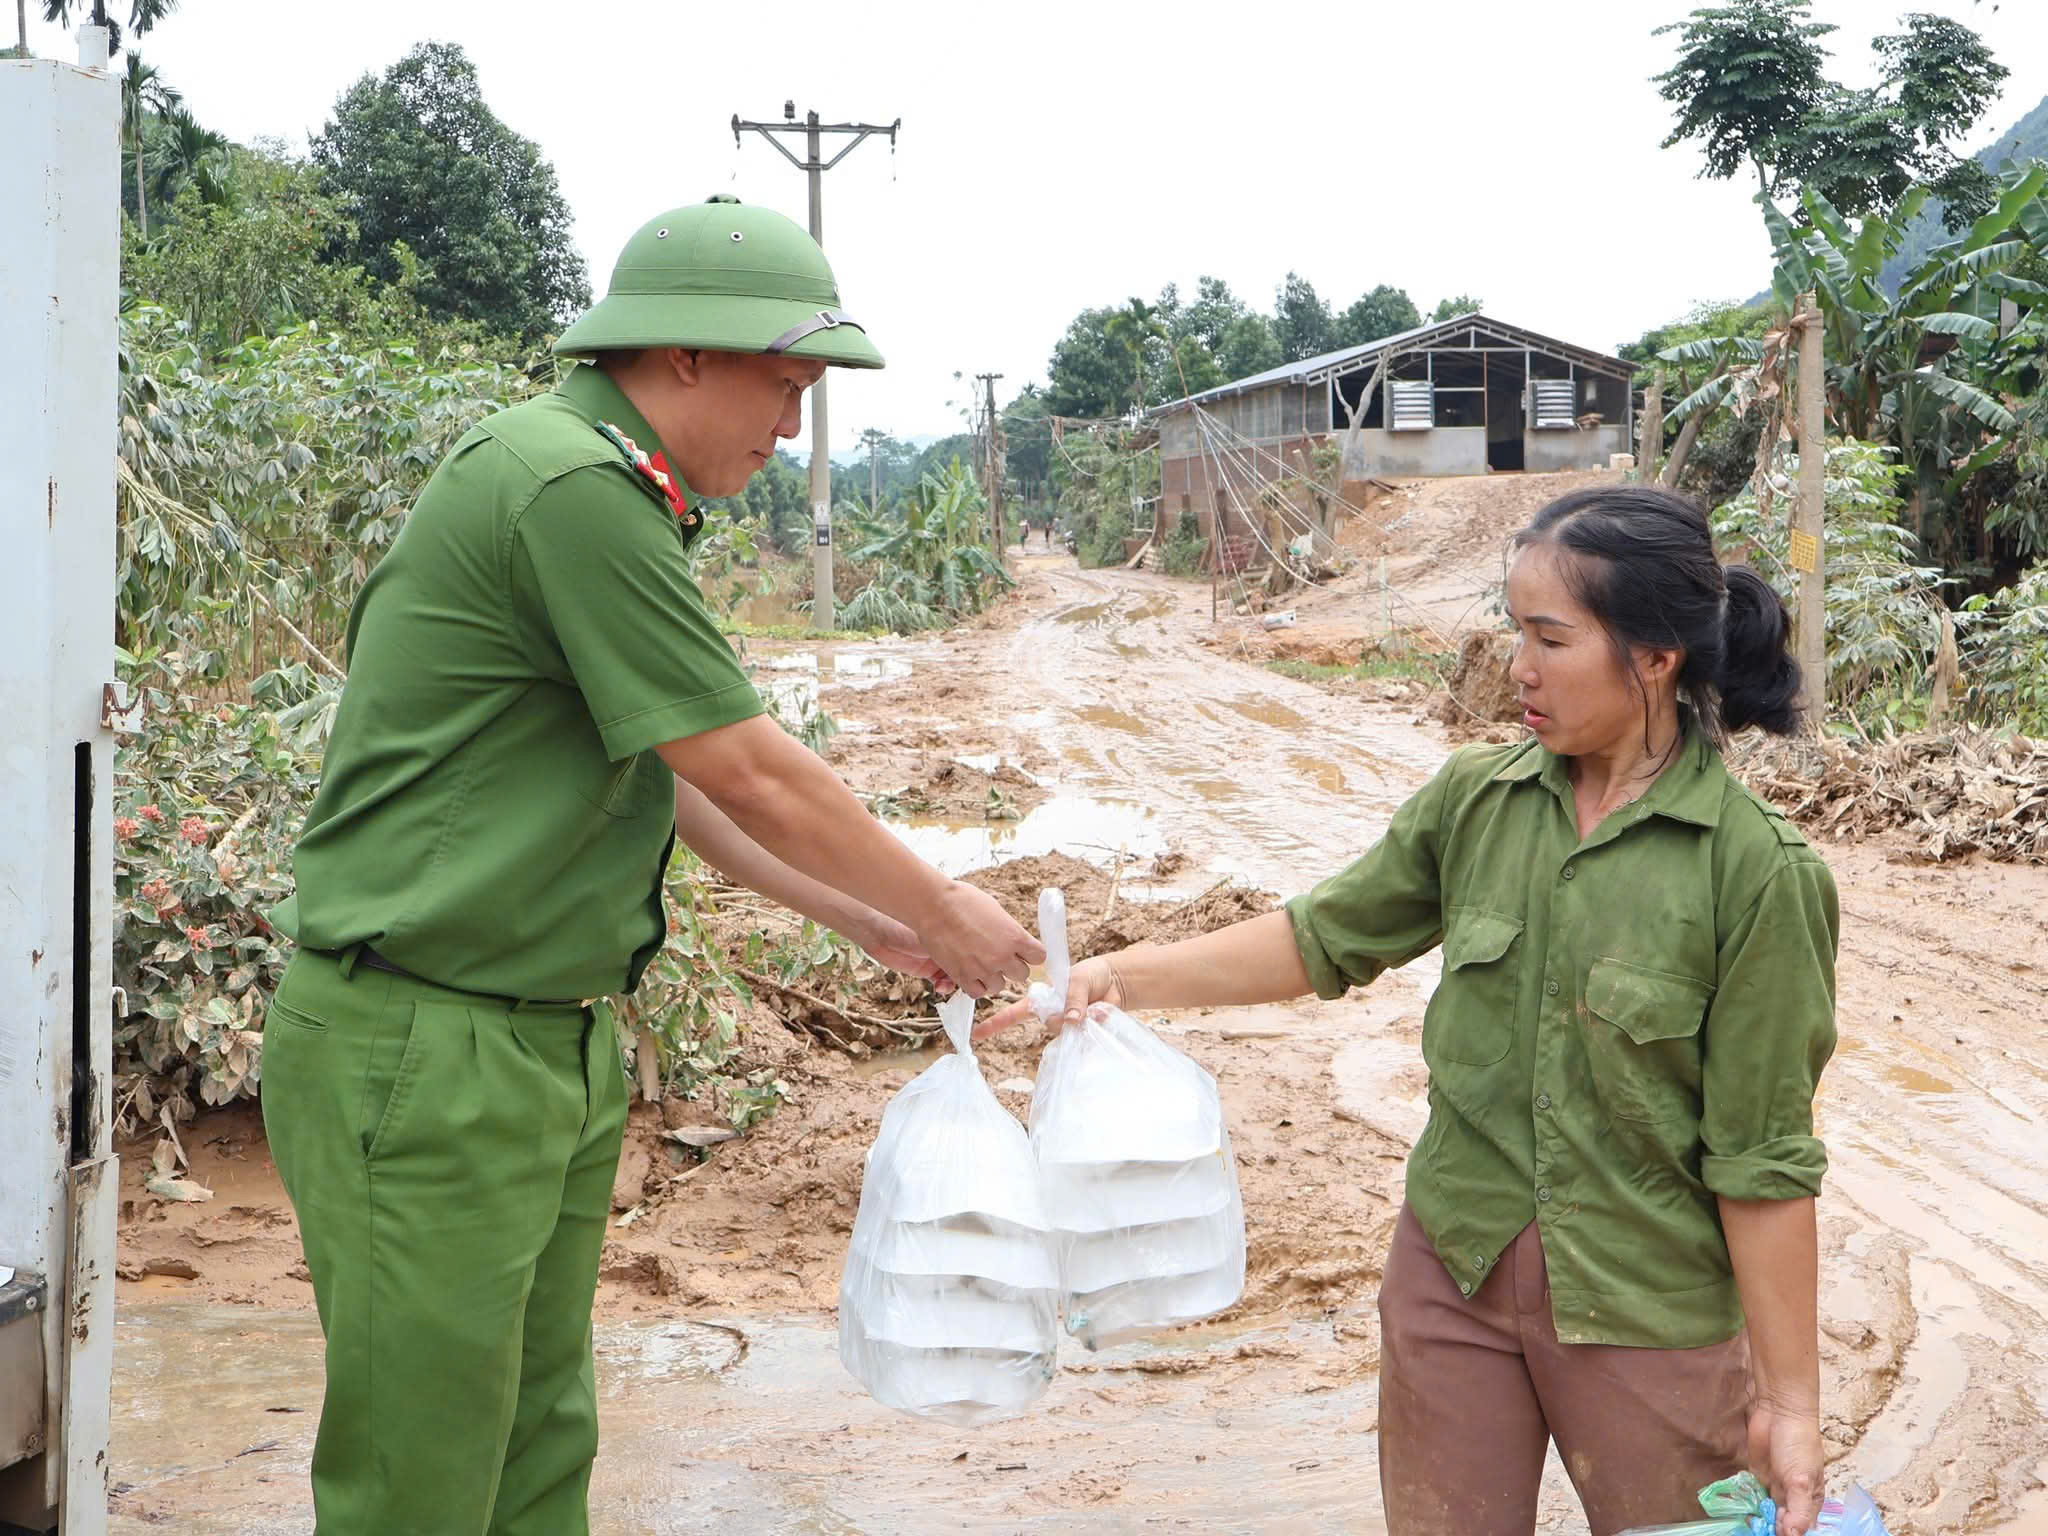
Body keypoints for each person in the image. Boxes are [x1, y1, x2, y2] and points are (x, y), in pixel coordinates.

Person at [260, 195, 1043, 1536]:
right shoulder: (569, 486)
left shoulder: (613, 493)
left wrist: (866, 921)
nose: (787, 428)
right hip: (429, 1040)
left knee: (536, 1442)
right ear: (682, 356)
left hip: (536, 1040)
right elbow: (747, 765)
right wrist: (941, 905)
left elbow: (673, 776)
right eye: (782, 389)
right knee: (420, 1479)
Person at [987, 485, 1838, 1536]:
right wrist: (1125, 977)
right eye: (1514, 631)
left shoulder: (1756, 873)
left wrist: (1790, 1403)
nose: (1518, 666)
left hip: (1647, 1311)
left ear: (1655, 657)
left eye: (1550, 639)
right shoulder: (1476, 801)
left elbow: (1762, 1163)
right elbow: (1323, 936)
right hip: (1452, 1280)